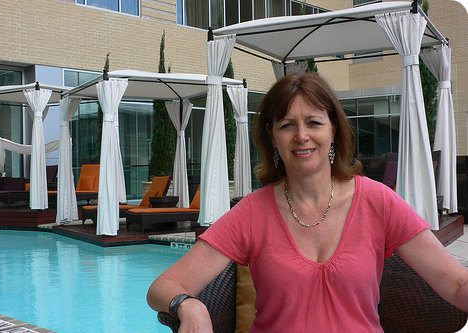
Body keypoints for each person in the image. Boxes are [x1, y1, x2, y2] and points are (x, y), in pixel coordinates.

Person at [147, 73, 468, 332]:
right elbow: (163, 286)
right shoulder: (252, 213)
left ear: (333, 130)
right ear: (272, 136)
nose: (302, 135)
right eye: (287, 125)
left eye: (314, 122)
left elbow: (456, 284)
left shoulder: (378, 201)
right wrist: (187, 304)